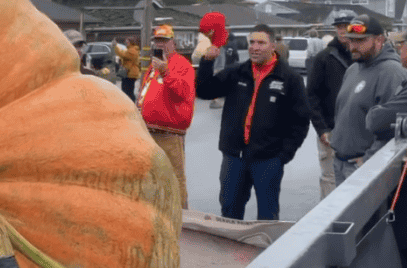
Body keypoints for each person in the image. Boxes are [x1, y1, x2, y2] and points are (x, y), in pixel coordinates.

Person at [195, 24, 310, 220]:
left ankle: (268, 251)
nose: (255, 47)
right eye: (252, 42)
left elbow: (299, 121)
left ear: (273, 45)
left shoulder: (290, 78)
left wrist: (283, 156)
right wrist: (207, 62)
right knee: (229, 213)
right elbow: (204, 91)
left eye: (261, 43)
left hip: (268, 160)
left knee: (267, 216)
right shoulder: (236, 72)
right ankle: (229, 249)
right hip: (234, 159)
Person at [330, 14, 407, 184]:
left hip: (363, 167)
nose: (352, 46)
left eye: (360, 41)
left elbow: (393, 128)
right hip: (340, 163)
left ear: (379, 40)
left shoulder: (391, 73)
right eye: (351, 40)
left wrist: (368, 161)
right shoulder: (353, 69)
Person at [137, 24, 195, 209]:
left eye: (164, 40)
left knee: (175, 177)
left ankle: (182, 218)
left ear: (173, 42)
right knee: (150, 177)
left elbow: (182, 92)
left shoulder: (182, 65)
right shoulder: (153, 66)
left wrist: (166, 72)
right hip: (148, 132)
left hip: (170, 133)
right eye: (157, 41)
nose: (160, 44)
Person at [305, 15, 353, 199]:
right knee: (330, 179)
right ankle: (330, 221)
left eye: (347, 27)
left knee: (356, 177)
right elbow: (311, 95)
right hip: (330, 130)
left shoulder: (363, 57)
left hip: (358, 132)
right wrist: (321, 128)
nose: (343, 30)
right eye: (339, 27)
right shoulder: (324, 58)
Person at [112, 36, 141, 102]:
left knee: (128, 91)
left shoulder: (133, 50)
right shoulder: (130, 49)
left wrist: (116, 47)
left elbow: (124, 55)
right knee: (126, 90)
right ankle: (130, 103)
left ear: (131, 42)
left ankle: (131, 104)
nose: (126, 42)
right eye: (126, 41)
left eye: (127, 41)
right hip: (128, 73)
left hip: (130, 74)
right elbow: (124, 56)